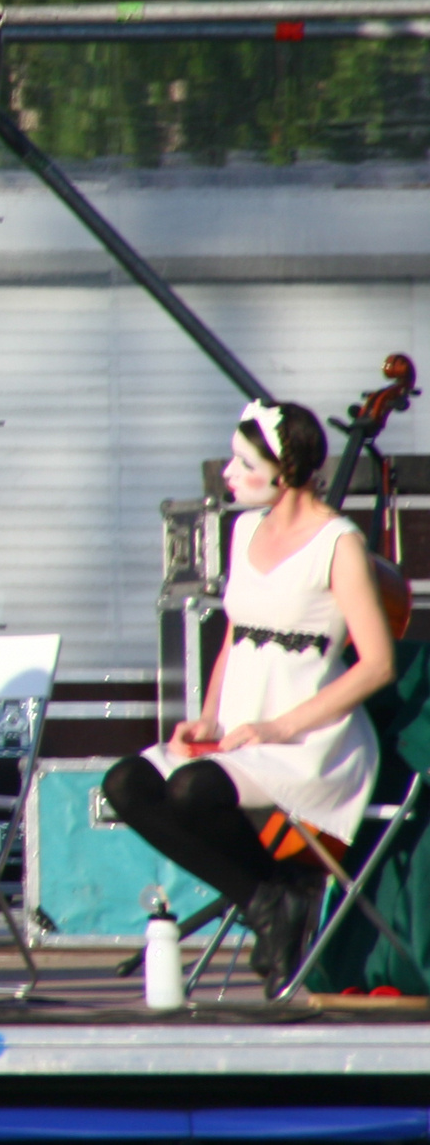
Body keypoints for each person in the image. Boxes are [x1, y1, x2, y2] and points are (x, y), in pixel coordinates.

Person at [103, 399, 394, 993]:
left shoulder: (337, 544)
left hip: (309, 741)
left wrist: (279, 728)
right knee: (125, 784)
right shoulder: (243, 531)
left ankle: (279, 902)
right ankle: (272, 900)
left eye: (244, 462)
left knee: (193, 790)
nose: (230, 475)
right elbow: (237, 634)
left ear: (283, 470)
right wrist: (208, 717)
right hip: (241, 733)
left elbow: (379, 664)